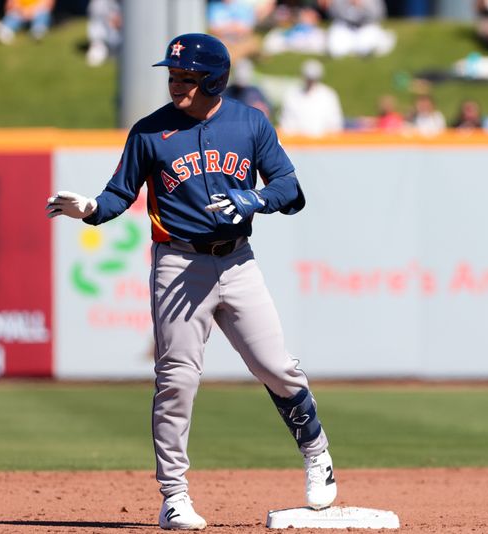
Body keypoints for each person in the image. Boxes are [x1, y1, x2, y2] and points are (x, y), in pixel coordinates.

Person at [46, 33, 337, 531]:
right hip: (177, 264)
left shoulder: (249, 123)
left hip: (238, 262)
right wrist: (91, 211)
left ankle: (318, 454)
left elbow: (290, 189)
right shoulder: (149, 131)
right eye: (173, 75)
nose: (176, 84)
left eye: (186, 77)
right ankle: (174, 497)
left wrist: (254, 200)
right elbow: (119, 194)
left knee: (276, 367)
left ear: (214, 78)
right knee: (176, 380)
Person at [278, 59, 344, 137]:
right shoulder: (292, 94)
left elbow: (335, 124)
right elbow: (286, 123)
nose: (310, 82)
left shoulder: (328, 95)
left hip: (324, 144)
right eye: (308, 78)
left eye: (313, 79)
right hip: (297, 143)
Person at [324, 0, 396, 58]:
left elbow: (380, 15)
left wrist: (363, 5)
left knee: (366, 48)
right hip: (346, 29)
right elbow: (334, 15)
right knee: (335, 49)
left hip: (365, 27)